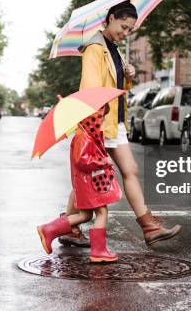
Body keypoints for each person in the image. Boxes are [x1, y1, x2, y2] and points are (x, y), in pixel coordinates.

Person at [58, 0, 181, 248]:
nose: (125, 33)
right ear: (111, 17)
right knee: (90, 176)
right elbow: (93, 90)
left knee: (129, 170)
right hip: (100, 124)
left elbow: (116, 89)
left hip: (116, 121)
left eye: (130, 31)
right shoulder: (94, 48)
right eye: (123, 27)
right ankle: (70, 226)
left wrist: (127, 77)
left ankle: (148, 227)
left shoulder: (113, 48)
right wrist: (95, 129)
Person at [37, 106, 121, 262]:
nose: (102, 120)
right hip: (89, 182)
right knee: (102, 213)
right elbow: (82, 161)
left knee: (85, 215)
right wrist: (103, 161)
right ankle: (98, 251)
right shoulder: (83, 136)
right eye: (100, 117)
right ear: (90, 117)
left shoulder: (89, 134)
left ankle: (48, 230)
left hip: (88, 181)